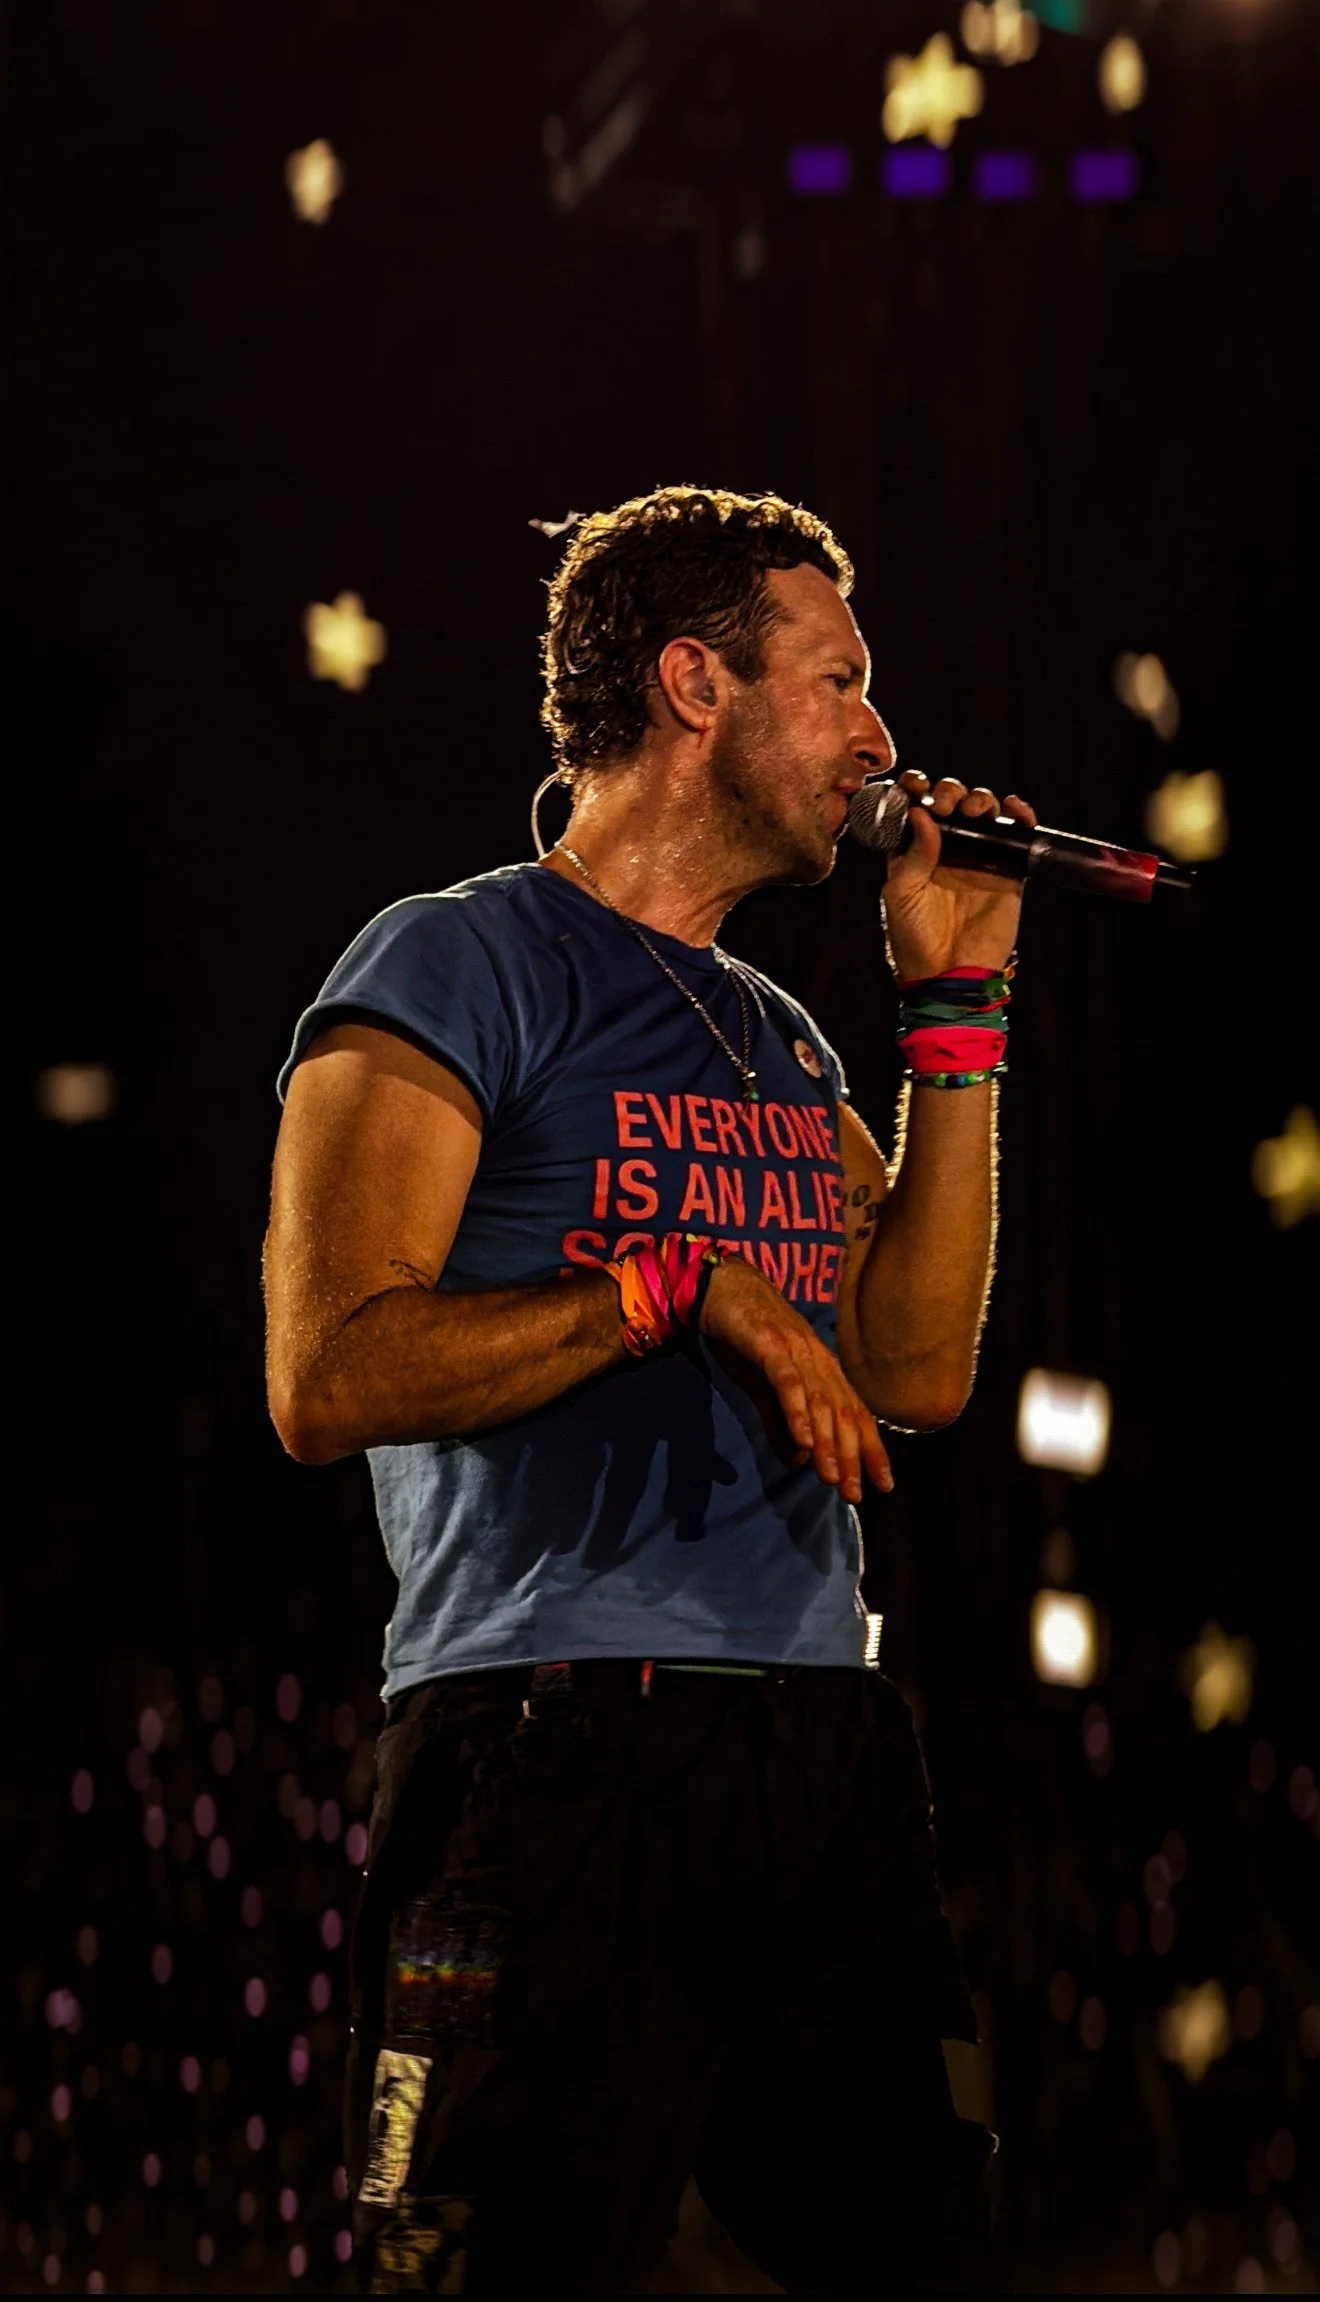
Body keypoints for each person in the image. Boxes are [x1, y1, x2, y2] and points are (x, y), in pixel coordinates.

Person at [263, 486, 1036, 2294]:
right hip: (550, 1743)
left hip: (817, 1753)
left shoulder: (775, 1034)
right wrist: (675, 1290)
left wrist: (961, 1015)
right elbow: (327, 1368)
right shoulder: (455, 961)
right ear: (697, 682)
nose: (878, 733)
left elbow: (916, 1365)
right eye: (839, 678)